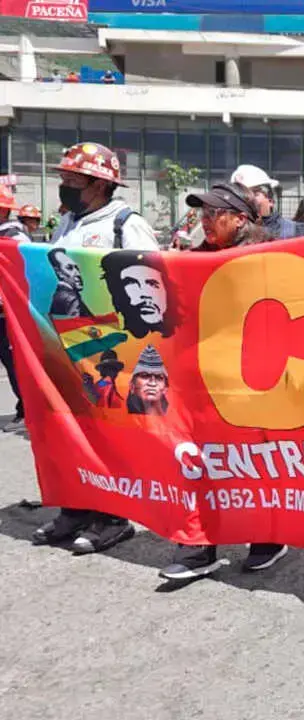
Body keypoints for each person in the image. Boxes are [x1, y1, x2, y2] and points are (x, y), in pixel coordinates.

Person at [155, 182, 286, 580]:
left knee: (254, 461)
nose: (206, 220)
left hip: (254, 380)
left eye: (215, 213)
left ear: (241, 219)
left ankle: (268, 536)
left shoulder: (271, 257)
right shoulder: (193, 260)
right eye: (203, 213)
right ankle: (199, 545)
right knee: (199, 459)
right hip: (201, 380)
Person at [34, 141, 157, 554]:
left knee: (108, 434)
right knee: (69, 429)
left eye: (73, 179)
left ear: (100, 184)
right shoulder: (67, 222)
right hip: (65, 347)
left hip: (108, 351)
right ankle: (75, 507)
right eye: (64, 178)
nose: (64, 186)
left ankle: (112, 517)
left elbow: (152, 278)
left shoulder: (125, 224)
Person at [0, 185, 33, 432]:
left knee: (15, 365)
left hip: (8, 313)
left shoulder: (14, 237)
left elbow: (24, 273)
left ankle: (27, 411)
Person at [229, 165, 304, 240]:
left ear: (270, 199)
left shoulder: (296, 231)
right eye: (239, 196)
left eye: (254, 194)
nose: (246, 200)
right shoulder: (231, 234)